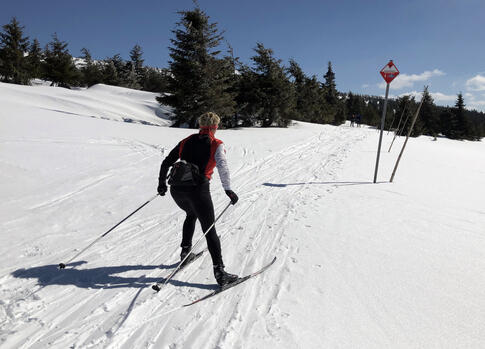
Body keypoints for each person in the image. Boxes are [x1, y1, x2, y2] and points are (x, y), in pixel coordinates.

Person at [157, 112, 239, 286]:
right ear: (215, 127)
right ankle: (220, 273)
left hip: (177, 190)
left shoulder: (186, 140)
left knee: (191, 214)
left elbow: (166, 162)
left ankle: (185, 254)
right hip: (198, 191)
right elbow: (223, 167)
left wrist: (161, 183)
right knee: (210, 230)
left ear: (200, 126)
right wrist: (228, 190)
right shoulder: (216, 144)